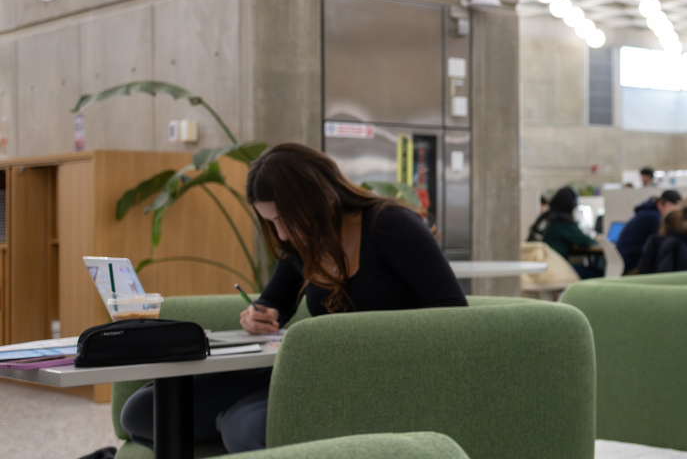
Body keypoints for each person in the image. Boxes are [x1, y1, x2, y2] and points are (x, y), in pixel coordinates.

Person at [121, 143, 465, 453]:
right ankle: (244, 422)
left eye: (286, 219)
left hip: (373, 376)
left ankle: (241, 421)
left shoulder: (390, 225)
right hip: (308, 370)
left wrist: (367, 338)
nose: (282, 233)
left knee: (242, 427)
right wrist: (257, 316)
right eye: (271, 222)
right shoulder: (302, 244)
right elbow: (274, 306)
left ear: (321, 198)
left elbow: (454, 312)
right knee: (142, 411)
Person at [529, 187, 603, 279]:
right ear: (572, 204)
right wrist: (597, 239)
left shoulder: (544, 218)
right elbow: (587, 241)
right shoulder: (562, 221)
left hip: (536, 266)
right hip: (553, 268)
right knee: (599, 272)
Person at [616, 190, 680, 274]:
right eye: (673, 207)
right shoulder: (654, 218)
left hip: (625, 262)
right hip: (632, 266)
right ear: (661, 204)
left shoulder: (647, 213)